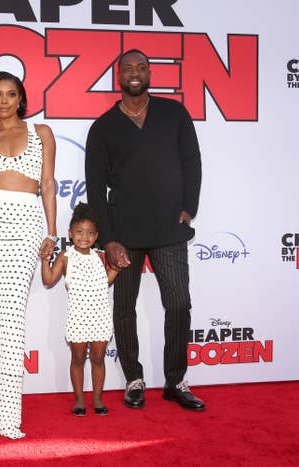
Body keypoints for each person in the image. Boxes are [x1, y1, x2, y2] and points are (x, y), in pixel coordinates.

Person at [84, 49, 205, 411]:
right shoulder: (103, 127)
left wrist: (189, 207)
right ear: (118, 77)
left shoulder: (174, 113)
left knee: (179, 303)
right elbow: (94, 187)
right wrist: (108, 238)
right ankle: (134, 379)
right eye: (128, 69)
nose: (135, 73)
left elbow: (191, 161)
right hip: (124, 233)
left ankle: (175, 380)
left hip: (169, 226)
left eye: (141, 68)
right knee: (123, 308)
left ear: (150, 73)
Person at [0, 71, 57, 439]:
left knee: (12, 320)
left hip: (25, 225)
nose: (4, 101)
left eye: (11, 94)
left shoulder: (42, 133)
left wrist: (52, 232)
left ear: (21, 98)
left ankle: (4, 410)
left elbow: (48, 184)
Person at [40, 202, 118, 417]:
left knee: (98, 359)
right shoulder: (66, 257)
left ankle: (98, 398)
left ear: (97, 235)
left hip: (100, 317)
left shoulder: (100, 256)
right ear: (71, 233)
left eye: (90, 233)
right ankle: (79, 399)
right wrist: (45, 261)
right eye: (79, 232)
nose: (85, 237)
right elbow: (48, 280)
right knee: (77, 359)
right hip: (78, 318)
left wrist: (117, 269)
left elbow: (106, 282)